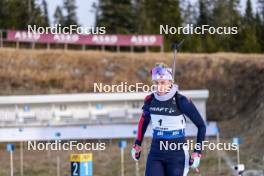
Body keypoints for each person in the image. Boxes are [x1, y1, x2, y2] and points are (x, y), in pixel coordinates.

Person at [131, 63, 206, 176]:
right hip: (156, 150)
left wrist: (197, 151)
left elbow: (201, 126)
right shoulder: (149, 100)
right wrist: (137, 144)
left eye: (163, 82)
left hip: (177, 152)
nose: (159, 86)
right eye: (156, 83)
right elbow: (144, 121)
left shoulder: (181, 100)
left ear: (170, 82)